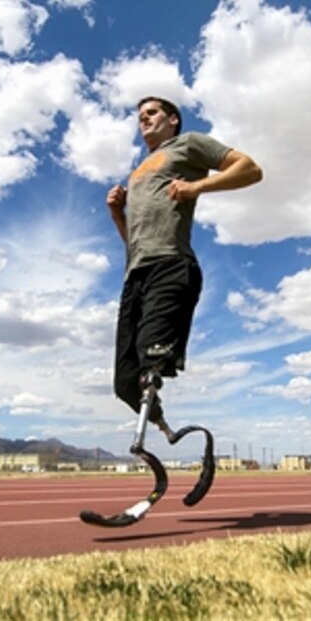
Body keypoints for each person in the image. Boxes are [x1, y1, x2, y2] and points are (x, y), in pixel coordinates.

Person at [107, 96, 262, 442]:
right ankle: (165, 429)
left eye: (152, 113)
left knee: (153, 357)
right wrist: (119, 215)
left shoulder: (188, 144)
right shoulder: (138, 172)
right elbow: (133, 243)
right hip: (135, 276)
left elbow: (250, 168)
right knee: (125, 383)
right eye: (140, 116)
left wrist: (196, 187)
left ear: (173, 119)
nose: (144, 119)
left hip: (171, 265)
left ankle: (143, 435)